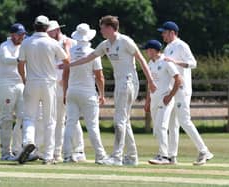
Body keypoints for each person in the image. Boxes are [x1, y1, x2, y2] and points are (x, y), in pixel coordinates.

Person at [60, 15, 156, 166]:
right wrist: (69, 65)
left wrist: (151, 82)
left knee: (119, 120)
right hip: (120, 84)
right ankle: (131, 157)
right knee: (125, 121)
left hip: (128, 83)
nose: (100, 31)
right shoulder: (105, 45)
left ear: (110, 28)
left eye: (102, 28)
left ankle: (117, 157)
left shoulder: (125, 41)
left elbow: (141, 60)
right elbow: (88, 58)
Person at [157, 21, 214, 165]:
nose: (162, 34)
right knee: (172, 124)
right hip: (173, 90)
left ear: (172, 32)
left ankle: (204, 151)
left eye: (164, 32)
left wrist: (174, 61)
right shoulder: (168, 47)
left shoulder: (182, 45)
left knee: (184, 121)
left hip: (183, 89)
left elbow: (193, 63)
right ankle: (172, 156)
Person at [17, 15, 69, 164]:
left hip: (32, 82)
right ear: (47, 28)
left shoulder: (26, 43)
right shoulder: (52, 43)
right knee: (49, 120)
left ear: (34, 26)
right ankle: (48, 156)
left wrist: (24, 79)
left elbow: (20, 64)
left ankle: (28, 142)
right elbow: (66, 61)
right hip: (49, 83)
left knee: (29, 117)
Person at [62, 23, 107, 163]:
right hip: (88, 92)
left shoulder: (71, 52)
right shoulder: (93, 53)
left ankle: (67, 155)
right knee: (92, 126)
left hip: (72, 91)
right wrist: (102, 94)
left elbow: (65, 73)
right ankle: (100, 156)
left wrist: (65, 92)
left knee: (70, 123)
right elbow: (99, 77)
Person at [47, 20, 85, 162]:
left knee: (72, 119)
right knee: (58, 119)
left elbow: (74, 64)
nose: (47, 33)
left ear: (56, 30)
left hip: (68, 85)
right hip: (54, 86)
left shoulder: (71, 43)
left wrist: (68, 84)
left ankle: (79, 150)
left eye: (50, 31)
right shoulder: (49, 43)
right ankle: (58, 152)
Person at [143, 40, 182, 165]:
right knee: (157, 129)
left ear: (153, 50)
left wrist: (170, 96)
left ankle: (163, 156)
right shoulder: (150, 63)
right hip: (154, 100)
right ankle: (170, 157)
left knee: (161, 127)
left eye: (148, 49)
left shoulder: (166, 62)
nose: (147, 52)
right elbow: (150, 84)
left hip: (165, 99)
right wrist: (148, 101)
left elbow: (178, 80)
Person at [0, 23, 26, 161]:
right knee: (6, 118)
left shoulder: (24, 45)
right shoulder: (4, 46)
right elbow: (6, 59)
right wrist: (21, 59)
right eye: (20, 34)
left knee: (23, 118)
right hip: (6, 85)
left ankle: (18, 150)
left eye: (23, 34)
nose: (22, 37)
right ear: (12, 34)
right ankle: (5, 153)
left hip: (21, 84)